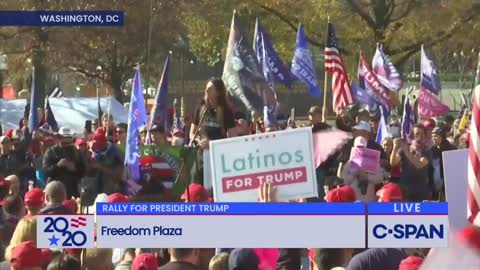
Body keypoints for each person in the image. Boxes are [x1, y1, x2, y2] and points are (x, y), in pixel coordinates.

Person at [43, 127, 86, 198]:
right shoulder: (51, 151)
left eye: (68, 138)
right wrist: (58, 165)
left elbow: (83, 171)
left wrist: (74, 168)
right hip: (54, 189)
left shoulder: (76, 152)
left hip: (72, 190)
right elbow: (46, 171)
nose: (66, 142)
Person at [391, 134, 430, 202]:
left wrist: (406, 152)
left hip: (420, 191)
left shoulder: (426, 152)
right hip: (404, 189)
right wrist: (395, 147)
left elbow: (419, 165)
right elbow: (393, 163)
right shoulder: (404, 151)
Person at [89, 128, 123, 194]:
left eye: (99, 145)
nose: (97, 148)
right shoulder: (95, 150)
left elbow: (118, 173)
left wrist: (100, 167)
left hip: (112, 184)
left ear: (104, 143)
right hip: (97, 184)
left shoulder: (114, 152)